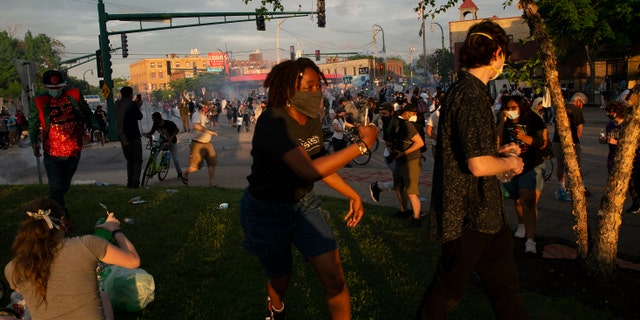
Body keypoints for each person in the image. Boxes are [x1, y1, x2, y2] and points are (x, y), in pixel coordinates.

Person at [239, 57, 378, 320]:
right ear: (288, 89)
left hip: (303, 204)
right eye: (309, 86)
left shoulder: (312, 118)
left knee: (335, 278)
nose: (316, 92)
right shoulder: (272, 122)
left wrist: (352, 194)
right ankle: (276, 307)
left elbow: (319, 163)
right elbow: (307, 171)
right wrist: (361, 146)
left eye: (318, 86)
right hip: (266, 211)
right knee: (281, 280)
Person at [416, 20, 528, 319]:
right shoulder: (471, 95)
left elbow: (469, 149)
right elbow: (477, 165)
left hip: (486, 212)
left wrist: (498, 153)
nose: (504, 61)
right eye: (504, 53)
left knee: (505, 285)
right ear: (495, 54)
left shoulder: (467, 92)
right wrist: (511, 162)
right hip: (466, 213)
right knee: (447, 290)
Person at [4, 198, 140, 320]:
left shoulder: (13, 267)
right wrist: (115, 230)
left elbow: (19, 290)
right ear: (62, 221)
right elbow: (133, 261)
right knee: (103, 295)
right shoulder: (88, 244)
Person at [29, 70, 98, 216]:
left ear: (63, 86)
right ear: (46, 87)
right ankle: (61, 217)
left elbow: (87, 113)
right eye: (52, 88)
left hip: (73, 151)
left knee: (64, 187)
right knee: (56, 187)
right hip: (52, 152)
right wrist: (34, 143)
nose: (55, 91)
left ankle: (49, 207)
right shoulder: (38, 101)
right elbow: (33, 124)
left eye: (58, 87)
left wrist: (96, 129)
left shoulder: (74, 95)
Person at [497, 95, 548, 254]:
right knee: (517, 200)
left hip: (531, 165)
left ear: (521, 107)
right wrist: (501, 122)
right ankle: (521, 224)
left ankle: (531, 240)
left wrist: (523, 137)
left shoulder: (534, 119)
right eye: (507, 108)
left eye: (513, 108)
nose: (510, 111)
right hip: (510, 165)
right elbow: (497, 142)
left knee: (528, 201)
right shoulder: (503, 120)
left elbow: (543, 143)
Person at [388, 104, 425, 227]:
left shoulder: (407, 125)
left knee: (411, 191)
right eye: (414, 114)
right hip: (401, 160)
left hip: (411, 161)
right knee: (398, 187)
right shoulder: (400, 123)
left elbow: (419, 143)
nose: (415, 117)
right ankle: (403, 210)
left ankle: (417, 218)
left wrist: (403, 153)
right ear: (407, 112)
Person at [552, 92, 589, 196]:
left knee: (560, 165)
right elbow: (579, 129)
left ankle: (562, 187)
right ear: (578, 101)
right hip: (572, 142)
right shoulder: (577, 110)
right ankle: (577, 186)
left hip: (557, 140)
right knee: (576, 165)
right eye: (582, 103)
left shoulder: (561, 108)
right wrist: (574, 142)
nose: (582, 106)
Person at [182, 103, 219, 186]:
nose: (208, 109)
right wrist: (208, 131)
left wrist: (213, 109)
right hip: (198, 143)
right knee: (196, 166)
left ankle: (212, 182)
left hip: (208, 143)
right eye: (206, 108)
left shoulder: (205, 116)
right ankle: (185, 173)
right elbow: (196, 126)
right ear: (202, 108)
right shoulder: (196, 115)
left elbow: (215, 112)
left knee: (212, 163)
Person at [115, 86, 144, 189]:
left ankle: (129, 183)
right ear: (131, 95)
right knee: (137, 160)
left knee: (129, 160)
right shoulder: (132, 104)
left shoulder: (117, 104)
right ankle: (135, 183)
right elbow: (139, 117)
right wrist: (138, 105)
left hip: (123, 137)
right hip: (133, 136)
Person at [145, 112, 183, 180]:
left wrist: (170, 140)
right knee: (155, 153)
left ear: (158, 119)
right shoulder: (155, 124)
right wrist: (145, 134)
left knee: (175, 159)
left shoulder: (169, 123)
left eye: (154, 119)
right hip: (162, 140)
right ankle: (152, 170)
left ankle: (179, 173)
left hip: (172, 141)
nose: (153, 121)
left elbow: (177, 130)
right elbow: (151, 132)